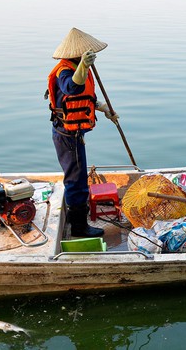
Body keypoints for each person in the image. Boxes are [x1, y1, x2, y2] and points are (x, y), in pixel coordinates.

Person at [46, 28, 119, 237]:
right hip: (67, 135)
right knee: (76, 180)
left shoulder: (79, 68)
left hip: (74, 132)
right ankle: (79, 227)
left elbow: (84, 99)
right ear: (77, 54)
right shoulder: (65, 71)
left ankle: (75, 216)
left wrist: (104, 108)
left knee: (76, 176)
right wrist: (84, 67)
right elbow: (71, 89)